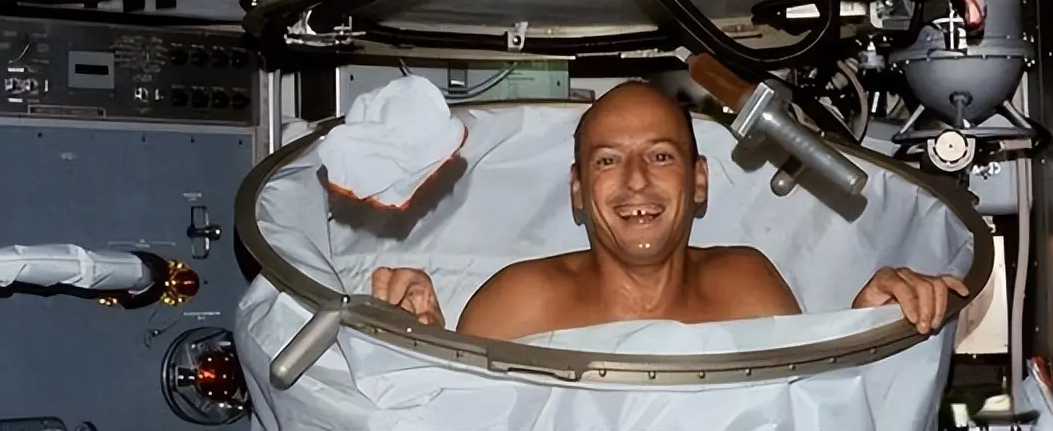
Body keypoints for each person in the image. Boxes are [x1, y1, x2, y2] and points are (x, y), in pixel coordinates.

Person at [371, 81, 969, 341]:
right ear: (577, 190)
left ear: (698, 181)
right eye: (608, 161)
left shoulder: (746, 287)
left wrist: (867, 325)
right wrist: (415, 343)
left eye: (660, 156)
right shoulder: (516, 307)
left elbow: (807, 408)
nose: (636, 181)